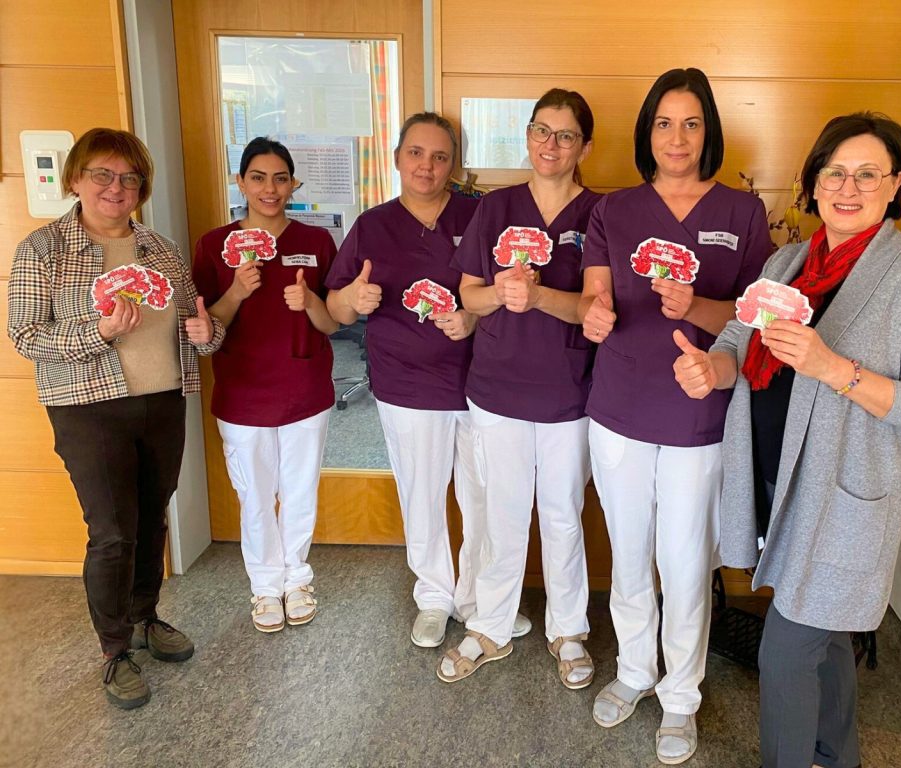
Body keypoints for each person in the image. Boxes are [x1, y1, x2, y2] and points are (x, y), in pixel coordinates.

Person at [674, 112, 901, 768]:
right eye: (834, 171)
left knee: (786, 651)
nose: (848, 186)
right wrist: (711, 370)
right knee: (828, 640)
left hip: (846, 502)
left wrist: (832, 367)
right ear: (812, 182)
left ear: (896, 185)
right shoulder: (787, 262)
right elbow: (735, 342)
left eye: (868, 173)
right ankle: (840, 757)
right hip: (782, 484)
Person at [578, 68, 773, 764]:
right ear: (647, 131)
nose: (677, 137)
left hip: (699, 408)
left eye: (692, 123)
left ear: (709, 132)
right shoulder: (615, 209)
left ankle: (681, 696)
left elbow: (752, 320)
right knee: (629, 551)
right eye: (664, 122)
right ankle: (635, 670)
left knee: (684, 559)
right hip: (620, 407)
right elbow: (595, 297)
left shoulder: (742, 214)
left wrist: (695, 307)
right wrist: (595, 315)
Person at [7, 127, 222, 709]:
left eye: (129, 178)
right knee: (111, 532)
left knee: (153, 518)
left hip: (161, 400)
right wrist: (97, 331)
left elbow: (195, 325)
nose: (116, 187)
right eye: (102, 174)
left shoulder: (160, 249)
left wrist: (208, 334)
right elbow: (25, 335)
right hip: (87, 408)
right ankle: (114, 649)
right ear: (75, 179)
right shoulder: (43, 249)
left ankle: (147, 617)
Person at [325, 112, 531, 648]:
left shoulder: (480, 214)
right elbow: (335, 308)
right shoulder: (372, 225)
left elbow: (504, 293)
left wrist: (473, 318)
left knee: (483, 495)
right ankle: (435, 596)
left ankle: (480, 599)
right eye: (416, 153)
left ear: (454, 164)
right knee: (423, 495)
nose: (427, 166)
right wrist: (353, 299)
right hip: (408, 386)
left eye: (440, 156)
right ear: (396, 158)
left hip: (481, 385)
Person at [437, 89, 601, 688]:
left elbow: (598, 310)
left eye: (564, 135)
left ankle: (569, 629)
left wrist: (538, 297)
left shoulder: (599, 216)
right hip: (497, 388)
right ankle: (491, 626)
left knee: (562, 514)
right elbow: (470, 296)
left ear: (585, 144)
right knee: (503, 512)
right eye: (540, 130)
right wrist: (501, 291)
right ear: (527, 135)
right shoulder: (498, 207)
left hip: (570, 391)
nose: (550, 145)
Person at [192, 137, 338, 634]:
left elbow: (333, 322)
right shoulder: (215, 245)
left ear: (293, 183)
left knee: (299, 488)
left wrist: (310, 303)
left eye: (280, 178)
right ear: (241, 182)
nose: (270, 188)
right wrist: (237, 288)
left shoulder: (317, 242)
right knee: (254, 493)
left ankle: (297, 577)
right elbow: (205, 327)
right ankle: (263, 586)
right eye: (258, 177)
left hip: (304, 383)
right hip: (243, 390)